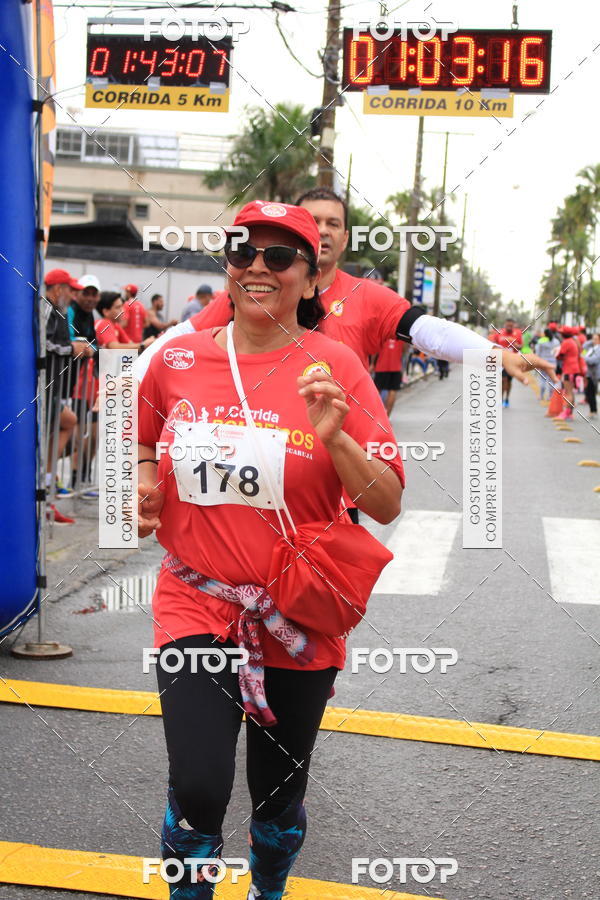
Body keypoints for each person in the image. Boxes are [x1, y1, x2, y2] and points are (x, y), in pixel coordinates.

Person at [136, 201, 404, 900]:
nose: (257, 265)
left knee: (276, 795)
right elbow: (138, 442)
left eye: (280, 256)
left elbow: (385, 501)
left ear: (312, 279)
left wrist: (336, 437)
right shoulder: (176, 359)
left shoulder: (337, 366)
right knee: (199, 785)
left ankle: (269, 888)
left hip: (300, 609)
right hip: (196, 597)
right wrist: (138, 485)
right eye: (242, 250)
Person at [135, 191, 557, 391]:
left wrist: (495, 354)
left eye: (332, 223)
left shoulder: (368, 296)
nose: (321, 230)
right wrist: (126, 381)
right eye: (311, 221)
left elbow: (429, 331)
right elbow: (179, 339)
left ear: (345, 238)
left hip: (338, 481)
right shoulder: (249, 293)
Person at [44, 268, 93, 524]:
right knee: (65, 423)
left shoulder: (59, 311)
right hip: (42, 389)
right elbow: (44, 345)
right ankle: (45, 490)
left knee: (67, 422)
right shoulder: (45, 309)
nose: (73, 295)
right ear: (58, 289)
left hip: (54, 388)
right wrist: (71, 347)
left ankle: (47, 488)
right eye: (70, 289)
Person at [488, 318, 523, 407]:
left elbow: (521, 346)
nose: (509, 327)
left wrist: (516, 346)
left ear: (513, 326)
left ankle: (507, 398)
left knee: (509, 381)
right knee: (503, 379)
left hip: (512, 361)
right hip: (501, 360)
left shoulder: (518, 333)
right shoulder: (499, 333)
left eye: (511, 326)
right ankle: (500, 399)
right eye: (507, 325)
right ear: (505, 325)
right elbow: (493, 345)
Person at [555, 325, 584, 420]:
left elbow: (559, 355)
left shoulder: (566, 342)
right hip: (573, 368)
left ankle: (566, 413)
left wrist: (556, 352)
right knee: (570, 392)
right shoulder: (573, 341)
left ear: (564, 334)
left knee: (568, 392)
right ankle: (569, 413)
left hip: (569, 369)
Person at [374, 337, 404, 414]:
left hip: (381, 366)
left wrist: (372, 364)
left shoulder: (383, 333)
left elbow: (375, 350)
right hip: (396, 366)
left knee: (376, 391)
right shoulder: (401, 335)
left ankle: (374, 415)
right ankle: (387, 417)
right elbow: (405, 349)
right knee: (393, 391)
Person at [534, 327, 560, 404]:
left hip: (543, 362)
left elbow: (538, 353)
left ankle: (541, 396)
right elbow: (558, 352)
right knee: (551, 380)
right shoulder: (556, 341)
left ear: (544, 334)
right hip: (553, 362)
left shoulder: (541, 341)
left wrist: (537, 363)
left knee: (542, 379)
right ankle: (550, 396)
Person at [583, 333, 600, 418]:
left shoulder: (598, 349)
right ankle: (593, 410)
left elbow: (594, 360)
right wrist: (591, 341)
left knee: (591, 392)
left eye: (596, 339)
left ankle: (593, 410)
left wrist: (584, 358)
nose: (594, 341)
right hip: (590, 373)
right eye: (593, 339)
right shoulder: (591, 348)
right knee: (589, 392)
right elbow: (584, 346)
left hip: (595, 374)